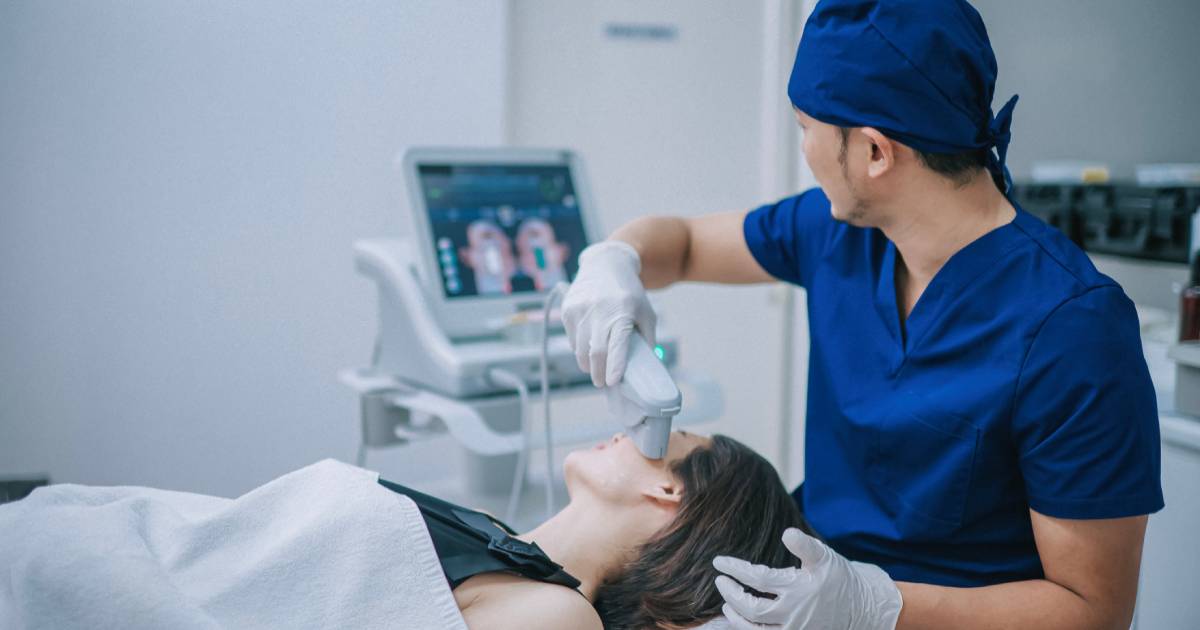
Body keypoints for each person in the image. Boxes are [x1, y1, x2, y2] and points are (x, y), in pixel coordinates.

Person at [560, 0, 1163, 628]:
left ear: (875, 153)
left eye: (806, 129)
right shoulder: (837, 232)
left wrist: (880, 608)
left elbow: (1093, 612)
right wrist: (616, 259)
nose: (805, 151)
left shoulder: (1074, 331)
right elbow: (682, 244)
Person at [380, 430, 809, 629]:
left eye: (668, 435)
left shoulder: (559, 616)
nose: (630, 431)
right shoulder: (482, 525)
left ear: (670, 488)